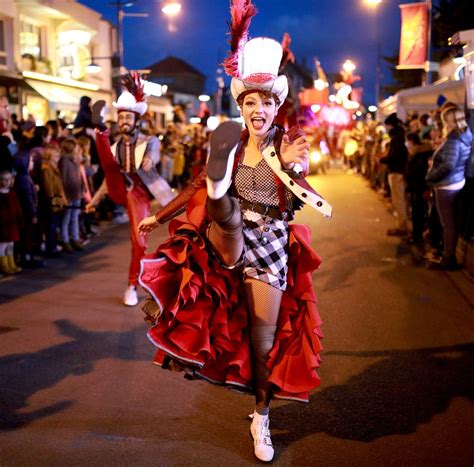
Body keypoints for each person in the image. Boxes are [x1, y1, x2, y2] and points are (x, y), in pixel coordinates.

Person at [137, 2, 331, 462]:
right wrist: (160, 217)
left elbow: (301, 200)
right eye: (250, 102)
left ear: (276, 106)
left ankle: (261, 416)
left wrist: (296, 171)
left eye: (266, 102)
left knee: (262, 343)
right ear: (240, 106)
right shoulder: (232, 142)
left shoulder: (287, 145)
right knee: (221, 218)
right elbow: (188, 189)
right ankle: (221, 192)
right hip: (226, 240)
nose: (258, 109)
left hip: (270, 247)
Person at [88, 73, 175, 306]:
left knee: (139, 242)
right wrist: (94, 201)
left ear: (137, 119)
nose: (125, 120)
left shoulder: (149, 142)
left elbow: (154, 154)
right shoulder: (115, 147)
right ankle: (99, 131)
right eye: (122, 117)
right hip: (120, 188)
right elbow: (109, 178)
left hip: (139, 191)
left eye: (129, 116)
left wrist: (149, 159)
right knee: (108, 164)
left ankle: (132, 286)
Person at [426, 105, 472, 270]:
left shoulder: (453, 139)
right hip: (457, 180)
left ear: (449, 121)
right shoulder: (465, 135)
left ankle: (448, 258)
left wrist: (431, 176)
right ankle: (448, 255)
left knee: (448, 224)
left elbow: (448, 165)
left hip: (447, 184)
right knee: (450, 223)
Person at [381, 113, 409, 236]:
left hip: (397, 172)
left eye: (387, 126)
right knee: (398, 200)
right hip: (397, 171)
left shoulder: (397, 139)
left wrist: (383, 159)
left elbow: (395, 156)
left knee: (399, 201)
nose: (386, 129)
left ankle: (402, 227)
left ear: (391, 126)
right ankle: (401, 225)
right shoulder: (399, 137)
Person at [0, 170, 22, 274]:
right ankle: (4, 265)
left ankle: (11, 263)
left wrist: (18, 217)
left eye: (9, 179)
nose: (7, 182)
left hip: (12, 223)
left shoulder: (12, 193)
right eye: (4, 180)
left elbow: (17, 207)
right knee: (3, 245)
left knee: (10, 244)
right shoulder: (1, 194)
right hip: (3, 224)